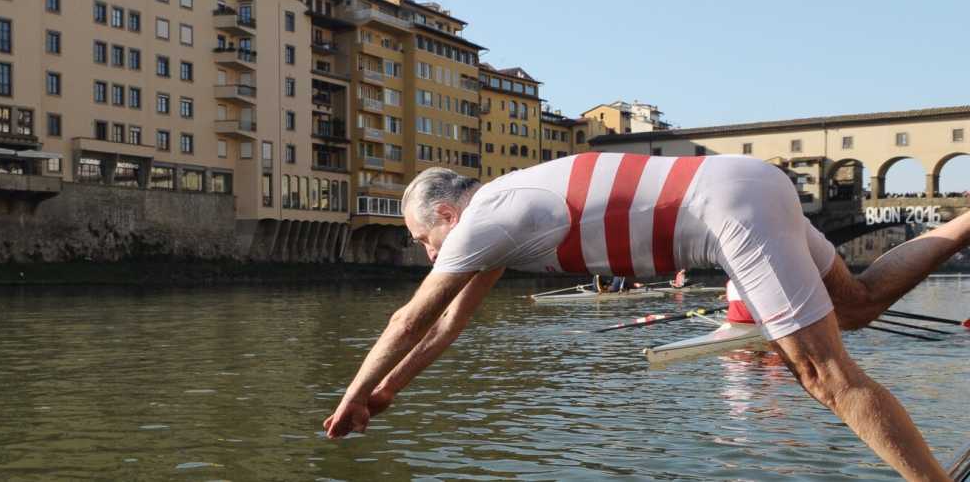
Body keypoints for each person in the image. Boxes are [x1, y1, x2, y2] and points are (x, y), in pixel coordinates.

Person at [324, 153, 970, 481]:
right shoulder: (503, 206)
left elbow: (409, 320)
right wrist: (385, 391)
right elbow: (446, 326)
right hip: (746, 180)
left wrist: (351, 396)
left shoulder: (479, 224)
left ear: (446, 215)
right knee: (857, 304)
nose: (429, 253)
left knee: (825, 374)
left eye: (423, 239)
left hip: (724, 209)